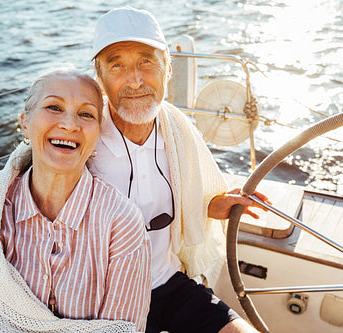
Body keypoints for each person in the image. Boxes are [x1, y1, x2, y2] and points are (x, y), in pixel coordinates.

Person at [87, 7, 268, 333]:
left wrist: (216, 205)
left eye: (147, 62)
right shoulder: (83, 136)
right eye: (117, 65)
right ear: (99, 78)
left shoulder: (176, 130)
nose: (135, 79)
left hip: (166, 282)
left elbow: (188, 204)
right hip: (99, 300)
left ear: (168, 69)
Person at [0, 65, 151, 332]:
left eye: (86, 114)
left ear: (97, 135)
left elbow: (123, 329)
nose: (69, 124)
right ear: (25, 124)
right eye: (54, 107)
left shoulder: (122, 222)